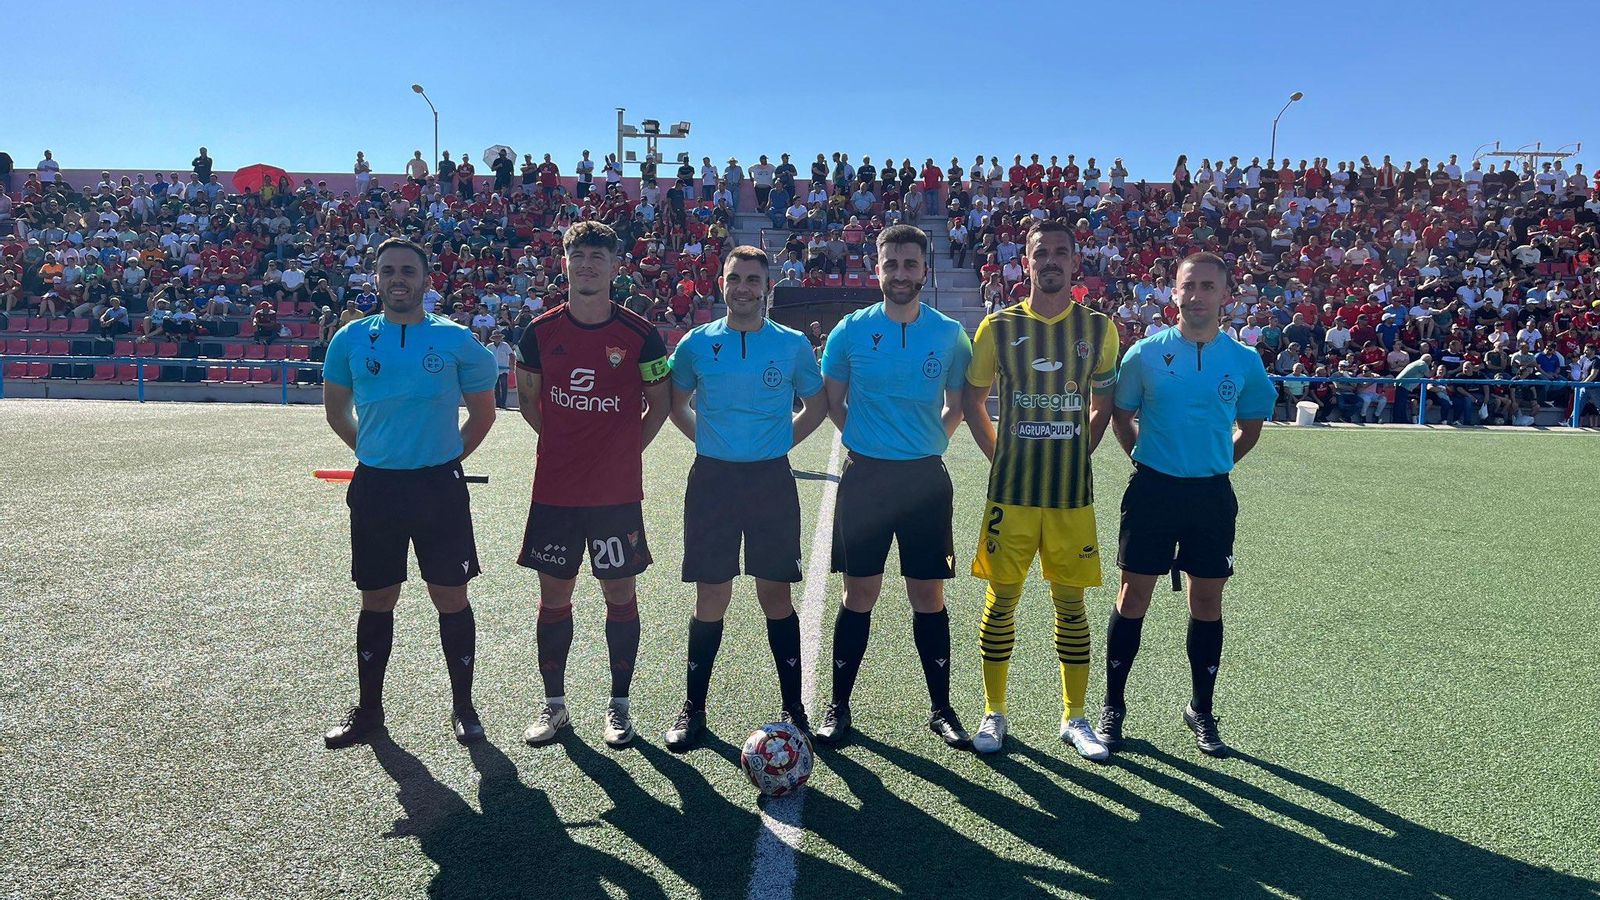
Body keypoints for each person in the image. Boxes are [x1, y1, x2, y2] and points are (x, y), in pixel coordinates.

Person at [320, 237, 499, 750]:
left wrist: (443, 459)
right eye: (388, 270)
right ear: (375, 278)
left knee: (451, 596)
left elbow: (483, 415)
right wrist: (376, 453)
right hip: (376, 487)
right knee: (377, 598)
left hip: (438, 488)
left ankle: (463, 707)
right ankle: (369, 711)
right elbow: (336, 412)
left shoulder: (457, 340)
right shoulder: (350, 339)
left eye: (407, 270)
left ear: (425, 279)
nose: (398, 278)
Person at [1101, 252, 1276, 758]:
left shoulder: (1244, 361)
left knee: (1207, 602)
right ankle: (1114, 706)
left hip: (1211, 495)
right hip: (1152, 491)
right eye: (1188, 285)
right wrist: (1148, 459)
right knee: (1133, 597)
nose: (1196, 295)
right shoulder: (1144, 354)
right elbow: (1121, 416)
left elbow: (1250, 430)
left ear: (1226, 296)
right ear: (1173, 292)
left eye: (1207, 286)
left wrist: (1213, 463)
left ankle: (1201, 708)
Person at [960, 221, 1121, 759]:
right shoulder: (996, 327)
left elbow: (1102, 404)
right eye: (1039, 253)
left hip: (1070, 496)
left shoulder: (1099, 329)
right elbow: (973, 401)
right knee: (1000, 600)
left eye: (1059, 252)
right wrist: (1001, 455)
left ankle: (1075, 717)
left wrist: (1078, 451)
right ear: (1025, 262)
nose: (1049, 260)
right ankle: (993, 711)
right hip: (1012, 493)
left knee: (1071, 605)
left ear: (1075, 261)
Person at [660, 246, 831, 750]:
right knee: (711, 595)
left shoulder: (792, 345)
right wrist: (711, 443)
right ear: (721, 284)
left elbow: (816, 406)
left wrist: (777, 444)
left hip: (770, 481)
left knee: (775, 595)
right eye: (735, 278)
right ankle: (694, 708)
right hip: (712, 482)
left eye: (753, 280)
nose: (743, 288)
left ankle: (793, 707)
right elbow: (676, 403)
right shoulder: (696, 343)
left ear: (767, 287)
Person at [813, 224, 974, 749]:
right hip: (866, 478)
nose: (900, 274)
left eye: (909, 264)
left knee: (927, 594)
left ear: (925, 269)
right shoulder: (850, 331)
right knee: (859, 593)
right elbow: (833, 402)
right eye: (891, 264)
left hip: (925, 480)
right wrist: (868, 441)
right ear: (876, 267)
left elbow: (957, 405)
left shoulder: (950, 334)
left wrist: (927, 443)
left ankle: (942, 709)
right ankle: (839, 707)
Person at [514, 221, 672, 749]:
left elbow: (660, 405)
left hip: (615, 495)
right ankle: (555, 706)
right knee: (554, 595)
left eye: (597, 256)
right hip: (555, 493)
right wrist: (567, 447)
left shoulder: (640, 335)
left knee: (619, 593)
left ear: (614, 266)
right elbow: (530, 403)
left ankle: (619, 707)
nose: (586, 265)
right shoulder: (538, 332)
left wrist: (622, 452)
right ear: (564, 263)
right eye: (578, 255)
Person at [488, 329, 513, 409]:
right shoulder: (489, 346)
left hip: (504, 369)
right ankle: (498, 403)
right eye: (495, 337)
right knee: (496, 387)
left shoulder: (505, 345)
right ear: (493, 338)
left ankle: (503, 403)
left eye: (498, 337)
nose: (497, 338)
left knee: (504, 386)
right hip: (493, 369)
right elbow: (486, 357)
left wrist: (512, 365)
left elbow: (511, 355)